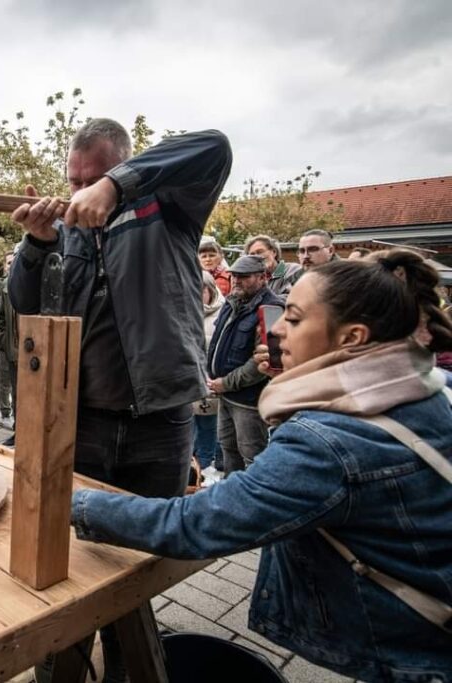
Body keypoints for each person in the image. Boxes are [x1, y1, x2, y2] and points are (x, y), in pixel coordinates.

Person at [70, 249, 452, 682]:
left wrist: (79, 504)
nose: (276, 331)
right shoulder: (426, 388)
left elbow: (197, 524)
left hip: (415, 659)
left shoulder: (327, 443)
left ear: (352, 338)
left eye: (293, 317)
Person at [8, 119, 231, 682]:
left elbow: (214, 146)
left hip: (160, 424)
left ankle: (128, 666)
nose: (81, 189)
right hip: (79, 423)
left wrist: (118, 186)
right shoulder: (66, 231)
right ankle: (61, 664)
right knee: (68, 557)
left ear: (123, 166)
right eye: (74, 178)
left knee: (138, 561)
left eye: (94, 178)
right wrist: (36, 247)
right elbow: (24, 305)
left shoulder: (170, 206)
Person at [205, 255, 283, 473]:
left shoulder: (272, 309)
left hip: (249, 400)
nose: (237, 280)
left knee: (253, 457)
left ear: (263, 278)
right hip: (226, 395)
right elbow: (216, 344)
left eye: (244, 276)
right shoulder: (232, 303)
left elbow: (266, 362)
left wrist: (226, 383)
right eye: (234, 276)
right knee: (228, 449)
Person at [193, 270, 224, 482]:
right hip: (190, 378)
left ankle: (206, 464)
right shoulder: (185, 310)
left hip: (212, 378)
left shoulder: (222, 312)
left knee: (209, 425)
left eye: (201, 290)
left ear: (209, 290)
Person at [0, 250, 18, 431]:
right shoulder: (0, 286)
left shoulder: (24, 284)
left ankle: (17, 413)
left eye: (14, 262)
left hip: (20, 341)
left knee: (18, 380)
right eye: (8, 263)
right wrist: (1, 336)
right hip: (5, 340)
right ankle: (5, 413)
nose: (11, 265)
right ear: (4, 266)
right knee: (5, 377)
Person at [244, 234, 301, 300]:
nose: (257, 257)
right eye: (252, 254)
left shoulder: (293, 270)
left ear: (274, 252)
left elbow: (296, 298)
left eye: (260, 252)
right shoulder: (252, 279)